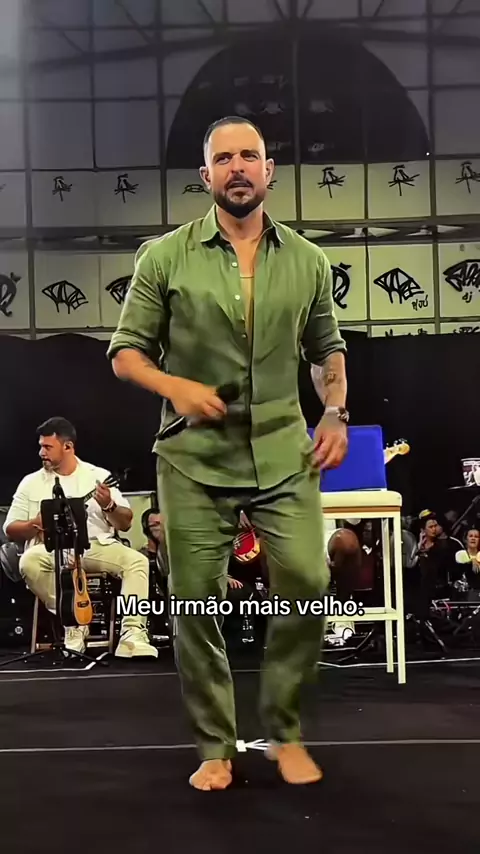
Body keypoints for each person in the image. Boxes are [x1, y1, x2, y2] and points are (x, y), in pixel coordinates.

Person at [107, 116, 348, 790]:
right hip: (193, 459)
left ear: (268, 170)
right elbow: (126, 353)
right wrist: (175, 386)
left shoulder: (308, 260)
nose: (238, 167)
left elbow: (326, 350)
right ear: (205, 174)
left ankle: (284, 732)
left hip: (283, 453)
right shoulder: (164, 257)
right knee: (194, 601)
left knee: (308, 581)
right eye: (224, 158)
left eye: (250, 156)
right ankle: (216, 745)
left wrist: (334, 411)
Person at [3, 417, 157, 659]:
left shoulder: (98, 476)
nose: (41, 452)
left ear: (68, 446)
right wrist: (36, 523)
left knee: (137, 561)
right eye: (41, 446)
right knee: (28, 562)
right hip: (51, 549)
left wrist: (108, 506)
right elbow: (10, 529)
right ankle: (74, 622)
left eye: (47, 447)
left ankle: (133, 635)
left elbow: (125, 523)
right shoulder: (30, 483)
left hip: (95, 545)